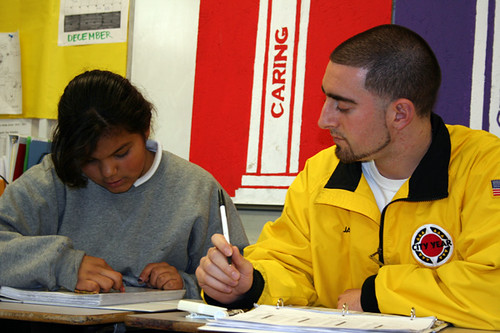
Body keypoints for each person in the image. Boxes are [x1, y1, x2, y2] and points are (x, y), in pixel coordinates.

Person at [195, 24, 500, 329]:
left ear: (400, 114)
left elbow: (492, 286)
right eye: (326, 100)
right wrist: (247, 284)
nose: (324, 119)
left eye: (342, 106)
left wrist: (375, 296)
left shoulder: (486, 167)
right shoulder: (321, 173)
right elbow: (288, 264)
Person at [0, 70, 248, 299]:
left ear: (145, 129)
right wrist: (61, 264)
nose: (109, 172)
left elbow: (239, 281)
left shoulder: (199, 191)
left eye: (121, 153)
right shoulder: (54, 179)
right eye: (90, 160)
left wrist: (186, 285)